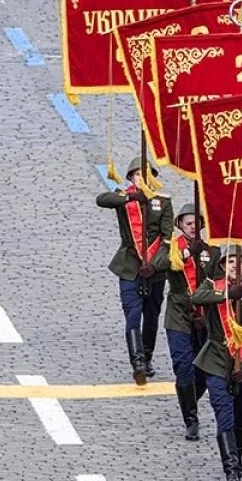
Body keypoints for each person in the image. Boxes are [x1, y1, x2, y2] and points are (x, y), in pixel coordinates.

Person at [190, 245, 242, 481]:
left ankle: (238, 456)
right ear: (222, 265)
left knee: (241, 419)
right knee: (224, 413)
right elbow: (197, 298)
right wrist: (225, 294)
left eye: (240, 262)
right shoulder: (214, 287)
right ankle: (230, 468)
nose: (235, 266)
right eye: (230, 262)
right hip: (216, 360)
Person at [95, 158, 173, 385]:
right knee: (132, 313)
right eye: (138, 175)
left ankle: (147, 358)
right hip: (129, 264)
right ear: (130, 178)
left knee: (151, 315)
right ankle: (137, 362)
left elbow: (167, 238)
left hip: (155, 268)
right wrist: (130, 197)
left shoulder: (162, 202)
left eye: (147, 174)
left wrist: (155, 264)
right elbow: (102, 199)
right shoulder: (124, 197)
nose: (142, 178)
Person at [153, 204, 219, 440]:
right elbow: (158, 265)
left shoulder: (212, 252)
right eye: (188, 223)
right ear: (180, 225)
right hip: (179, 314)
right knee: (182, 365)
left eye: (196, 223)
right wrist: (187, 253)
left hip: (205, 316)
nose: (193, 227)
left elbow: (219, 282)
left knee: (202, 371)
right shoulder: (171, 247)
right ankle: (191, 419)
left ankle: (190, 399)